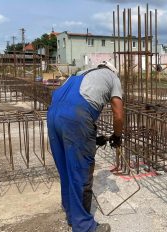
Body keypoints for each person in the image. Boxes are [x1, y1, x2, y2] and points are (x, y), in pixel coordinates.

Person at [47, 61, 123, 232]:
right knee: (80, 170)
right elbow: (118, 115)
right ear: (113, 71)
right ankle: (83, 226)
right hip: (75, 116)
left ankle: (71, 213)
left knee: (66, 168)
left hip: (53, 115)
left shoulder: (81, 73)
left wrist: (91, 137)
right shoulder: (112, 78)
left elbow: (72, 101)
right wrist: (117, 136)